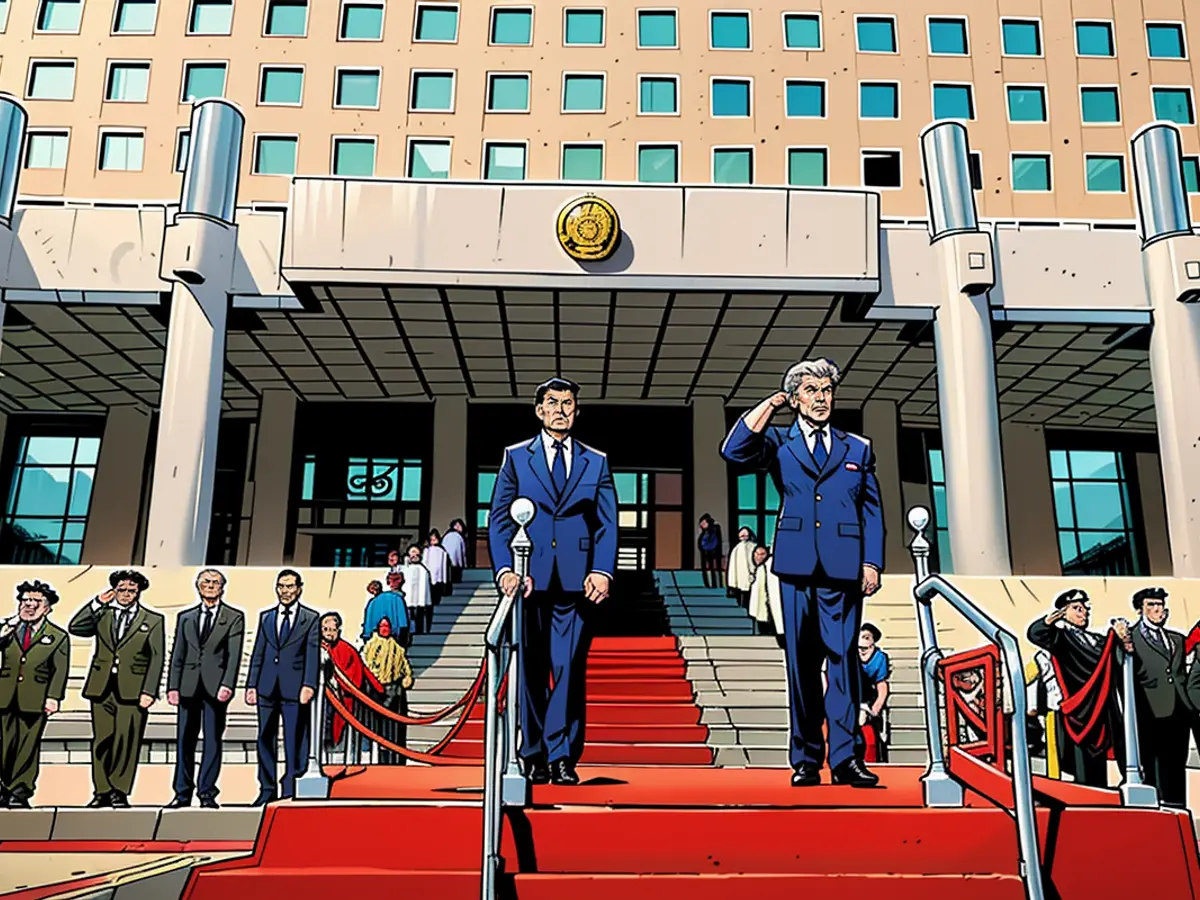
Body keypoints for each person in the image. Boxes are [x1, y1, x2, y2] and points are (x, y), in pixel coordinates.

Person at [721, 358, 884, 789]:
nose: (821, 399)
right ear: (795, 399)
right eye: (811, 391)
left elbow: (872, 509)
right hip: (794, 566)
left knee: (844, 663)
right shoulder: (778, 441)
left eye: (827, 390)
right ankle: (807, 759)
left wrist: (872, 562)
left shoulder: (857, 447)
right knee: (801, 665)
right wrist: (771, 404)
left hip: (843, 569)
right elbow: (733, 451)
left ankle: (847, 759)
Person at [489, 376, 618, 786]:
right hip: (527, 582)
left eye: (568, 404)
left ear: (576, 412)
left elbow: (607, 523)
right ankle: (533, 756)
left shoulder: (595, 460)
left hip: (577, 583)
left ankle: (562, 755)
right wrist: (505, 570)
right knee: (529, 670)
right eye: (553, 403)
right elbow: (498, 520)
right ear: (539, 410)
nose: (561, 409)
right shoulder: (515, 457)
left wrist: (602, 570)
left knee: (567, 668)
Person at [69, 569, 165, 808]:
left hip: (133, 691)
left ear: (139, 592)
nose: (125, 594)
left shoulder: (152, 620)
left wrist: (149, 691)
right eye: (121, 589)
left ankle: (119, 791)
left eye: (131, 590)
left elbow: (157, 657)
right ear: (114, 591)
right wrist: (97, 603)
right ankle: (101, 790)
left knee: (127, 741)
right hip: (101, 687)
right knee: (102, 740)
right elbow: (76, 627)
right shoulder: (103, 615)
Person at [1026, 588, 1124, 788]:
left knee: (1098, 767)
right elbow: (1036, 634)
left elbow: (1111, 654)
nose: (1084, 613)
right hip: (1077, 711)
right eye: (1077, 609)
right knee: (1081, 768)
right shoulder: (1061, 638)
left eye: (1085, 608)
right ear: (1064, 613)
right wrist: (1050, 620)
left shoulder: (1096, 640)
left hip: (1098, 709)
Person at [166, 568, 245, 810]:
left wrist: (228, 684)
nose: (210, 586)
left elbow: (234, 655)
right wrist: (172, 686)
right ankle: (182, 793)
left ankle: (207, 793)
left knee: (212, 740)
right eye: (206, 582)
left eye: (215, 582)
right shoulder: (186, 617)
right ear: (198, 586)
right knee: (184, 741)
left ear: (223, 587)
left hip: (215, 688)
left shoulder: (233, 617)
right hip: (188, 686)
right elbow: (177, 653)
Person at [246, 569, 320, 805]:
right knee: (265, 737)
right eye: (281, 586)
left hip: (295, 688)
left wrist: (309, 684)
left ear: (299, 588)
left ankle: (291, 785)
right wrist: (251, 684)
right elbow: (258, 651)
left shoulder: (310, 618)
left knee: (295, 739)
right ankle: (267, 788)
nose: (285, 591)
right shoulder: (266, 617)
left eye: (289, 586)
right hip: (267, 687)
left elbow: (312, 654)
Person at [1117, 587, 1191, 809]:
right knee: (1152, 764)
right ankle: (1157, 809)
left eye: (1160, 605)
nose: (1158, 609)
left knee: (1176, 764)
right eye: (1151, 605)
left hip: (1179, 710)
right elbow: (1122, 669)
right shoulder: (1130, 637)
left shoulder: (1176, 639)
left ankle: (1177, 808)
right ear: (1140, 610)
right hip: (1148, 710)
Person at [0, 580, 69, 808]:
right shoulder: (8, 630)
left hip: (35, 699)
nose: (29, 606)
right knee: (3, 745)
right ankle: (2, 787)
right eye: (25, 601)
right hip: (5, 696)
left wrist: (53, 697)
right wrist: (6, 629)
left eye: (36, 602)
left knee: (27, 747)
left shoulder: (57, 636)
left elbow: (60, 670)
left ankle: (19, 791)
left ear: (47, 608)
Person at [319, 612, 383, 756]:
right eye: (326, 629)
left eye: (333, 630)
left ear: (339, 631)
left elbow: (355, 677)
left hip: (343, 699)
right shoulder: (314, 647)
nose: (329, 633)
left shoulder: (346, 650)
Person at [362, 618, 415, 765]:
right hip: (375, 690)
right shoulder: (371, 646)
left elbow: (406, 668)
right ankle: (376, 756)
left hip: (393, 689)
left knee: (393, 728)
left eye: (387, 626)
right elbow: (367, 664)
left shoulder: (397, 648)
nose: (385, 629)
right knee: (375, 726)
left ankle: (394, 758)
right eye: (382, 626)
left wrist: (407, 678)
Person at [857, 623, 891, 764]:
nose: (862, 643)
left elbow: (881, 684)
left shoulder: (880, 658)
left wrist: (876, 706)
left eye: (866, 638)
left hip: (869, 697)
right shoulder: (849, 656)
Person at [362, 571, 410, 647]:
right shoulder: (398, 599)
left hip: (375, 640)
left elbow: (367, 626)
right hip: (394, 640)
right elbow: (403, 624)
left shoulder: (372, 602)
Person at [400, 545, 434, 636]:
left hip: (420, 598)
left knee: (419, 613)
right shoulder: (404, 568)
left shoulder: (423, 569)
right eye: (412, 552)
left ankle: (420, 629)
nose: (414, 555)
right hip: (408, 597)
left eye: (416, 552)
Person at [726, 527, 757, 609]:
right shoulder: (737, 548)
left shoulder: (753, 546)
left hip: (751, 573)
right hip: (740, 574)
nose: (743, 537)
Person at [747, 544, 773, 635]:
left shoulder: (767, 568)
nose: (759, 557)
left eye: (762, 554)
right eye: (757, 554)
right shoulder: (757, 569)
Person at [423, 531, 451, 604]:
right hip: (429, 574)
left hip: (439, 576)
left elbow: (444, 566)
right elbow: (424, 562)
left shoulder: (442, 551)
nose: (433, 540)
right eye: (432, 539)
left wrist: (444, 580)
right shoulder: (427, 550)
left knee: (437, 592)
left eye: (435, 538)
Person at [697, 515, 724, 588]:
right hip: (704, 553)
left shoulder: (714, 529)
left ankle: (716, 585)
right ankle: (707, 585)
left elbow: (716, 541)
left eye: (704, 522)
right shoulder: (703, 532)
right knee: (706, 570)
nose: (702, 524)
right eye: (701, 523)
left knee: (714, 569)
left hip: (713, 552)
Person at [442, 520, 468, 589]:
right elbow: (461, 552)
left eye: (459, 525)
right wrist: (463, 563)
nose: (458, 527)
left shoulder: (447, 535)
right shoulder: (458, 536)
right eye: (456, 525)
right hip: (455, 562)